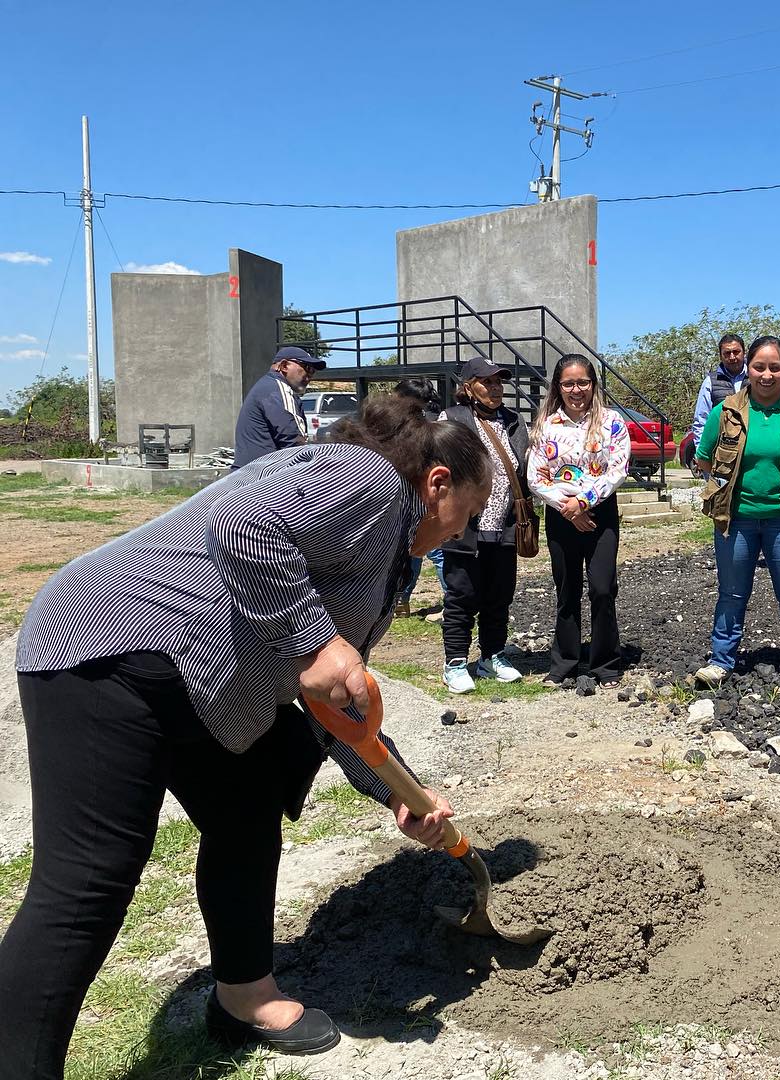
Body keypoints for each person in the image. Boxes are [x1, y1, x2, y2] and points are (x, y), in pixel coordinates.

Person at [0, 393, 491, 1076]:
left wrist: (397, 792)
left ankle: (243, 998)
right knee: (87, 883)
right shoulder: (373, 481)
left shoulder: (376, 536)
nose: (460, 535)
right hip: (105, 650)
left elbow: (340, 705)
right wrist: (316, 641)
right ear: (437, 483)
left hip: (188, 677)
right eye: (465, 515)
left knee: (248, 804)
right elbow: (242, 523)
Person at [693, 335, 780, 691]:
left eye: (775, 367)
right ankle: (721, 660)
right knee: (732, 592)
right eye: (759, 367)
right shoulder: (725, 413)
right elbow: (704, 458)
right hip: (734, 519)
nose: (766, 375)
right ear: (748, 369)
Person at [526, 354, 631, 687]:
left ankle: (606, 664)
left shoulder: (612, 422)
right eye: (568, 383)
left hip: (600, 513)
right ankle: (565, 662)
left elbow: (618, 469)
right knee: (566, 590)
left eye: (583, 382)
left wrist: (583, 503)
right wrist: (568, 508)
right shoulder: (546, 426)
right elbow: (536, 477)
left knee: (602, 588)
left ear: (593, 385)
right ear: (559, 387)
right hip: (561, 516)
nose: (576, 390)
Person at [438, 359, 531, 693]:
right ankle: (456, 663)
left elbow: (524, 467)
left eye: (498, 382)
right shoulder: (452, 418)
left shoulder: (514, 420)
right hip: (466, 526)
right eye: (486, 382)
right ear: (468, 387)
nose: (494, 388)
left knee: (499, 596)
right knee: (462, 595)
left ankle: (492, 657)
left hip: (504, 524)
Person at [392, 378, 447, 617]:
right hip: (433, 491)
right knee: (436, 549)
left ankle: (401, 600)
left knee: (411, 549)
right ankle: (454, 599)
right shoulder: (437, 419)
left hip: (407, 492)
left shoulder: (402, 425)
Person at [233, 346, 325, 468]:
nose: (310, 376)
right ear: (284, 366)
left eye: (313, 371)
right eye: (307, 368)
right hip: (262, 479)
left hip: (249, 475)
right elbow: (295, 444)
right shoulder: (278, 389)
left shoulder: (267, 386)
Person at [689, 333, 748, 452]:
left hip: (752, 450)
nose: (732, 357)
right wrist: (701, 452)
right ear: (721, 356)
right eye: (727, 353)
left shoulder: (756, 378)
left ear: (744, 352)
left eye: (736, 352)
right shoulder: (710, 382)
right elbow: (701, 421)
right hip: (722, 453)